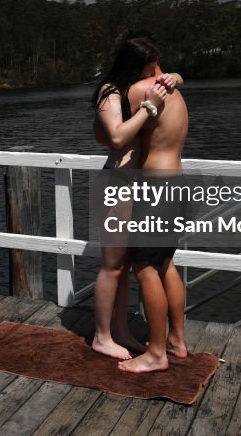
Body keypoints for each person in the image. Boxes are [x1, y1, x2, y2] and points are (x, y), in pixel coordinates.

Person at [91, 34, 183, 360]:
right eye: (150, 67)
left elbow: (171, 77)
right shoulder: (111, 92)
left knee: (127, 264)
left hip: (138, 186)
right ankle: (102, 335)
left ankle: (121, 331)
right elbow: (116, 137)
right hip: (117, 182)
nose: (155, 73)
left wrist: (174, 77)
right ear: (136, 66)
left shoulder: (139, 86)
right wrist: (148, 109)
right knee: (113, 264)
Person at [118, 69, 190, 373]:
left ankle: (156, 354)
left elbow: (115, 135)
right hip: (177, 183)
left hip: (155, 189)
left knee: (145, 269)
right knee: (166, 264)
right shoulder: (175, 90)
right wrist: (176, 75)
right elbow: (177, 76)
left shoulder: (140, 90)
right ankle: (176, 340)